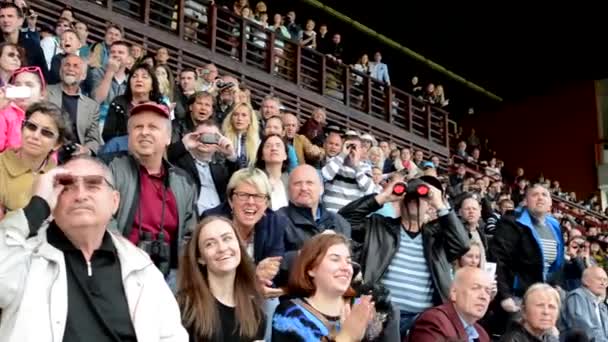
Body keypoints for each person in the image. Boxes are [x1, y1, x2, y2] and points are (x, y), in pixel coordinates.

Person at [0, 155, 187, 341]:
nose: (80, 195)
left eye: (93, 185)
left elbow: (171, 336)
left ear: (114, 202)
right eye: (67, 186)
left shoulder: (140, 266)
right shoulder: (24, 256)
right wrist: (37, 206)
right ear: (53, 202)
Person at [339, 175, 470, 335]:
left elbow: (462, 244)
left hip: (421, 322)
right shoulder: (379, 227)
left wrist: (439, 204)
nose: (415, 199)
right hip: (379, 314)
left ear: (429, 205)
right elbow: (343, 220)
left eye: (422, 197)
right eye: (411, 195)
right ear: (402, 199)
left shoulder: (437, 239)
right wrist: (384, 196)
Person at [103, 103, 197, 285]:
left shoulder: (184, 182)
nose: (144, 132)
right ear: (129, 137)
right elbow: (102, 219)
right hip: (117, 267)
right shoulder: (109, 168)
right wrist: (127, 256)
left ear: (168, 138)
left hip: (168, 275)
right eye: (138, 127)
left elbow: (190, 235)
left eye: (153, 127)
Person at [272, 233, 385, 342]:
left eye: (349, 261)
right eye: (335, 259)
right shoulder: (290, 314)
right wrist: (347, 337)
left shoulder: (363, 309)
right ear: (311, 268)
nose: (346, 267)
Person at [177, 216, 266, 341]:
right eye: (210, 244)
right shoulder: (184, 307)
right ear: (200, 258)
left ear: (240, 245)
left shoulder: (255, 312)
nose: (222, 248)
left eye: (227, 238)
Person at [490, 184, 564, 330]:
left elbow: (558, 261)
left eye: (544, 194)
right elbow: (499, 260)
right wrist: (505, 296)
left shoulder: (554, 225)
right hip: (518, 296)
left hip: (543, 295)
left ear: (550, 202)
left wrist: (556, 284)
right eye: (535, 194)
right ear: (526, 201)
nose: (540, 198)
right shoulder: (511, 222)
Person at [0, 101, 70, 215]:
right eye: (31, 127)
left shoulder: (58, 177)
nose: (35, 136)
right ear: (22, 128)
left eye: (46, 133)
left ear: (57, 144)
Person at [407, 267, 492, 342]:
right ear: (454, 293)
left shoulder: (482, 334)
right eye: (475, 288)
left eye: (488, 291)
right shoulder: (434, 322)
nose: (483, 296)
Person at [561, 266, 608, 341]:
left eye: (605, 280)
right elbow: (584, 328)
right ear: (585, 281)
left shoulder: (601, 305)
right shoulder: (577, 297)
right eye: (599, 279)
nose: (603, 283)